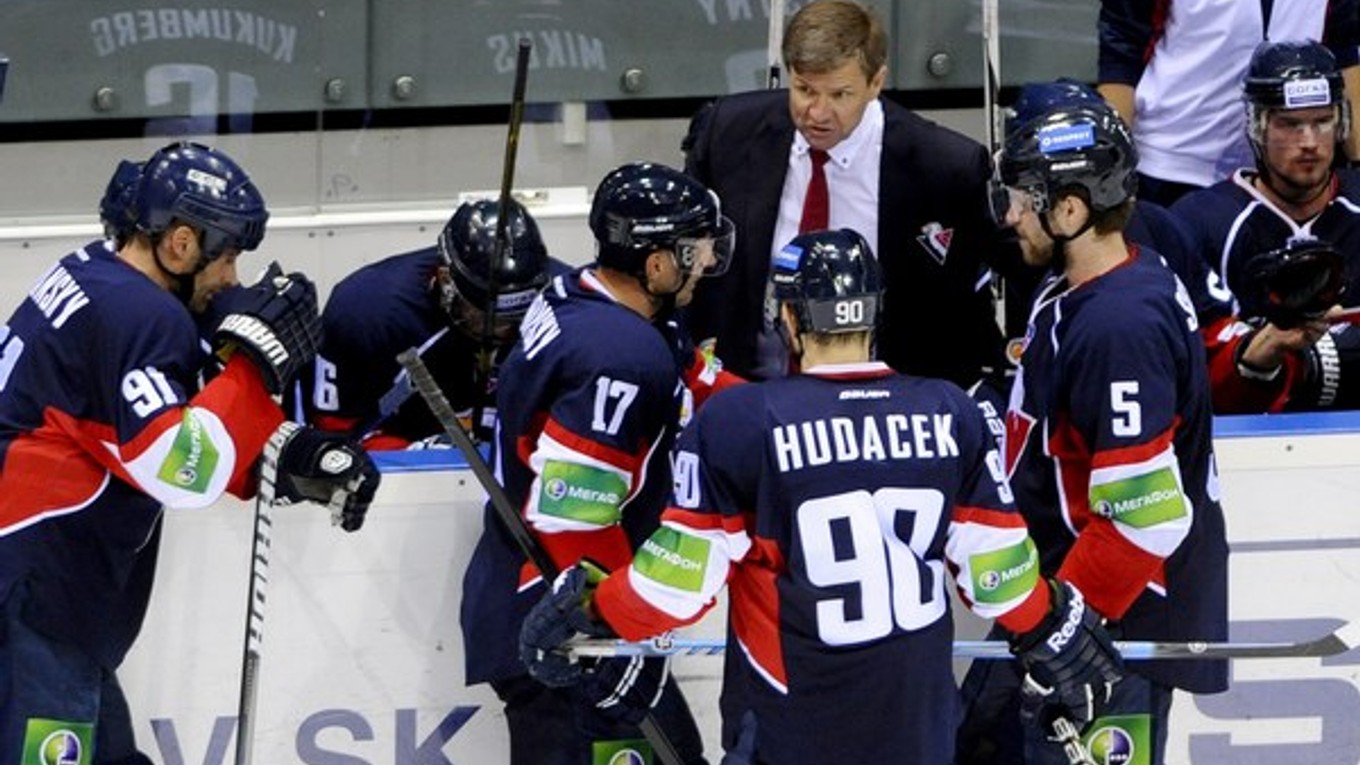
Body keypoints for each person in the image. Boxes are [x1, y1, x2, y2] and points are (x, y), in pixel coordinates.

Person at [517, 228, 1125, 765]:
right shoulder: (950, 410)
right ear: (874, 313)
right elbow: (1000, 577)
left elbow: (678, 583)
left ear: (787, 318)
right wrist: (1049, 620)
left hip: (790, 728)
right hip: (918, 728)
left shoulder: (739, 422)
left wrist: (598, 612)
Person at [0, 142, 381, 765]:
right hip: (36, 596)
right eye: (226, 255)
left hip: (37, 587)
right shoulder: (140, 315)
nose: (231, 277)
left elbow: (132, 423)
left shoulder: (91, 271)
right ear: (180, 243)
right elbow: (180, 469)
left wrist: (284, 451)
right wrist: (256, 366)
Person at [955, 91, 1229, 765]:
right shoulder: (1082, 286)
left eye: (1023, 197)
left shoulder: (1119, 328)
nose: (1011, 215)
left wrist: (1061, 627)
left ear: (1071, 208)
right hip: (1059, 606)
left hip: (1108, 629)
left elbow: (1149, 515)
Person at [459, 162, 742, 765]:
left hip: (544, 605)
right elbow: (573, 517)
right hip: (562, 626)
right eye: (695, 249)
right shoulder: (619, 355)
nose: (707, 263)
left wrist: (803, 407)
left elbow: (706, 383)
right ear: (658, 263)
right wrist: (614, 626)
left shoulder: (588, 295)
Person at [682, 0, 1019, 388]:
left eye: (840, 94)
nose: (818, 113)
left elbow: (1019, 268)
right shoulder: (728, 133)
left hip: (892, 405)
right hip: (751, 393)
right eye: (805, 90)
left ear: (876, 82)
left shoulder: (944, 166)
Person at [1172, 40, 1360, 411]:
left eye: (1322, 121)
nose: (1309, 143)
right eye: (1289, 125)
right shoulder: (1196, 224)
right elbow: (1185, 370)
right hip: (1238, 443)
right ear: (1257, 125)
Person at [301, 197, 556, 448]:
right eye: (484, 317)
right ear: (445, 280)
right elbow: (333, 437)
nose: (503, 331)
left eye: (518, 318)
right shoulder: (365, 312)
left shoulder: (567, 306)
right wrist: (416, 458)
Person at [1098, 0, 1360, 207]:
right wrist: (1113, 175)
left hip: (1287, 171)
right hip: (1171, 162)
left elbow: (1346, 49)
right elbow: (1121, 55)